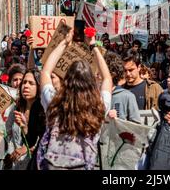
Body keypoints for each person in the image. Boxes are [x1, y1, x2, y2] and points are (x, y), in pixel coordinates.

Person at [36, 28, 113, 170]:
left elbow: (46, 71)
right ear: (91, 83)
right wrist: (94, 46)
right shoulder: (98, 108)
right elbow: (107, 79)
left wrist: (64, 43)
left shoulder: (55, 103)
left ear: (66, 81)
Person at [4, 69, 45, 170]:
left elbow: (43, 139)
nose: (26, 86)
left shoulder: (43, 111)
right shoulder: (16, 108)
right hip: (15, 163)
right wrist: (8, 152)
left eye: (31, 83)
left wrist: (26, 149)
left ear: (39, 87)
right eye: (24, 82)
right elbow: (7, 133)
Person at [105, 52, 141, 123]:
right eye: (125, 71)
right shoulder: (98, 94)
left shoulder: (152, 88)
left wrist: (119, 120)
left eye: (131, 70)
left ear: (139, 67)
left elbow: (136, 126)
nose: (128, 74)